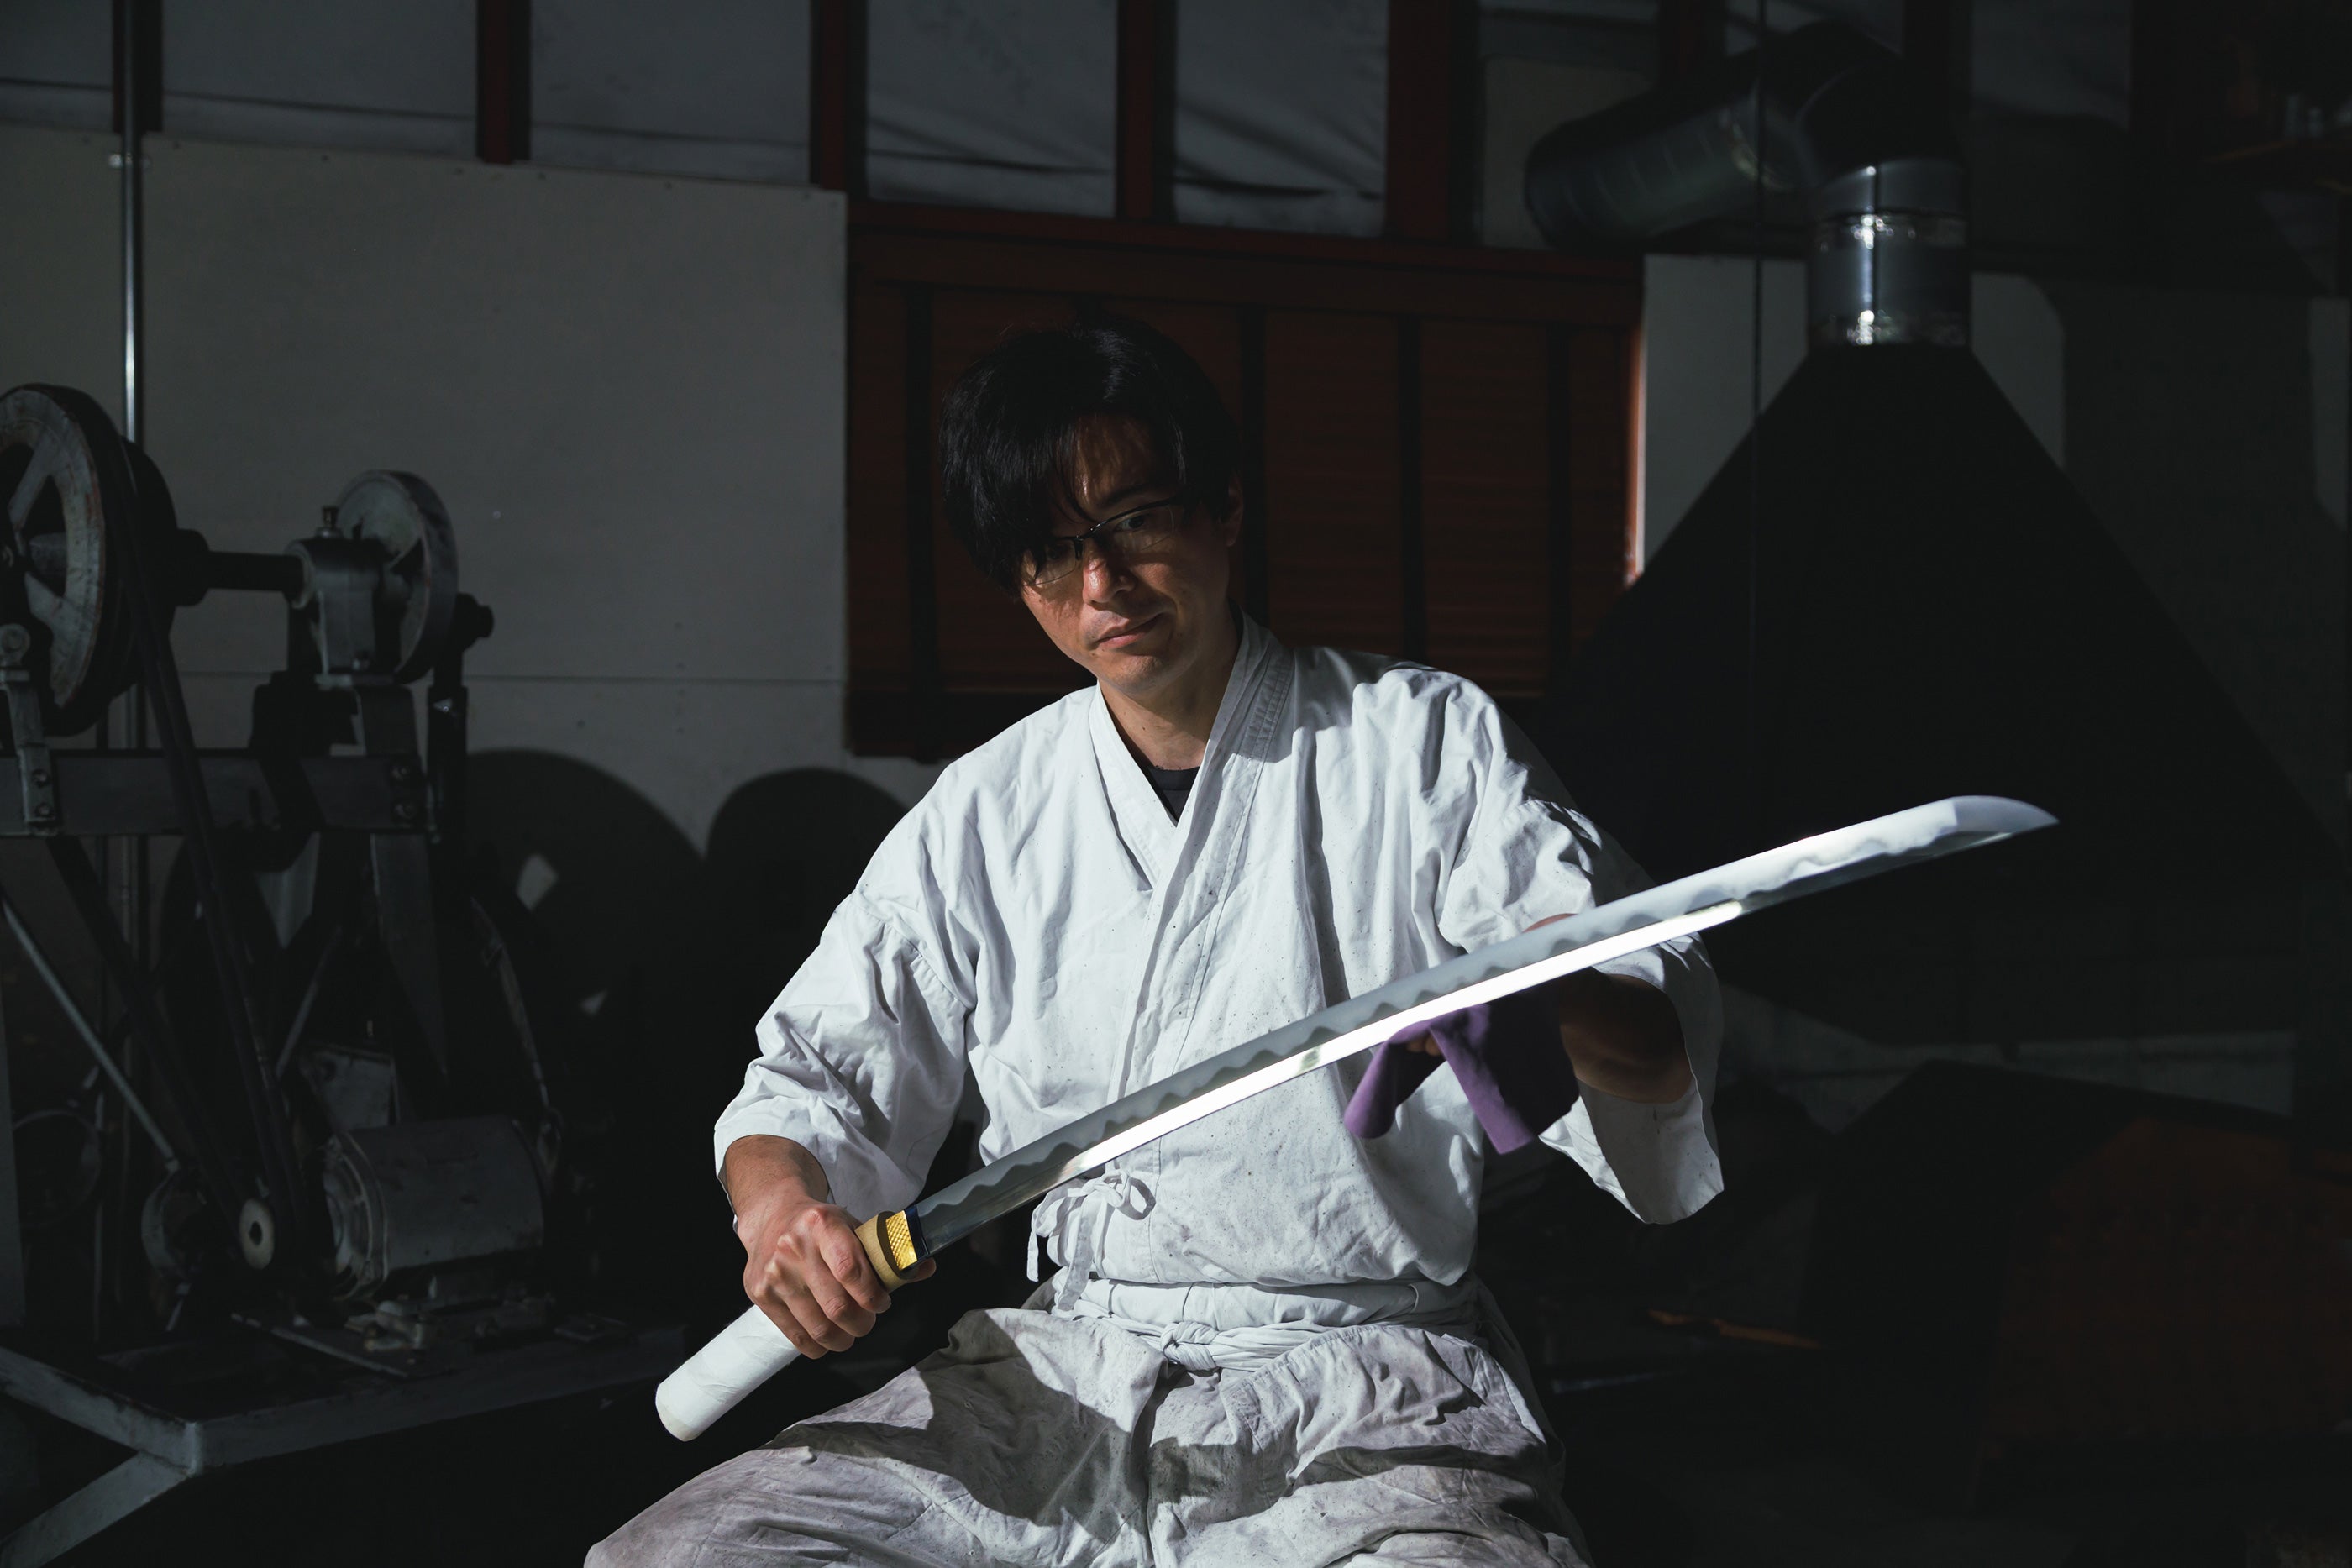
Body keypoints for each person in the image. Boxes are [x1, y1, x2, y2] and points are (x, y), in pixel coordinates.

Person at [592, 317, 1722, 1566]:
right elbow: (813, 1083)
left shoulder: (1420, 744)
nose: (1103, 587)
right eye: (1049, 552)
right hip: (1061, 1372)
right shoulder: (987, 810)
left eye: (1134, 522)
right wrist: (783, 1217)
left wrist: (1536, 998)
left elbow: (1650, 1032)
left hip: (1368, 1382)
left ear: (1224, 509)